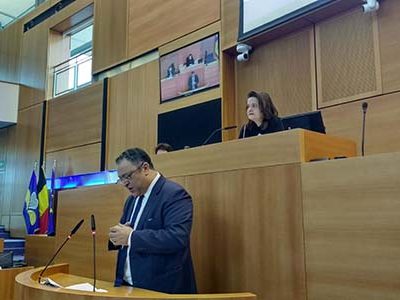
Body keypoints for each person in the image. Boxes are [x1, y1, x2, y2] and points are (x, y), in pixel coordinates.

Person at [109, 148, 197, 294]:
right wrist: (116, 236)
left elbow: (177, 237)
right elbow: (126, 234)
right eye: (121, 178)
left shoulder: (174, 194)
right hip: (127, 287)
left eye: (128, 176)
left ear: (145, 168)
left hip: (160, 290)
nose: (124, 183)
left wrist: (131, 237)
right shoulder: (131, 200)